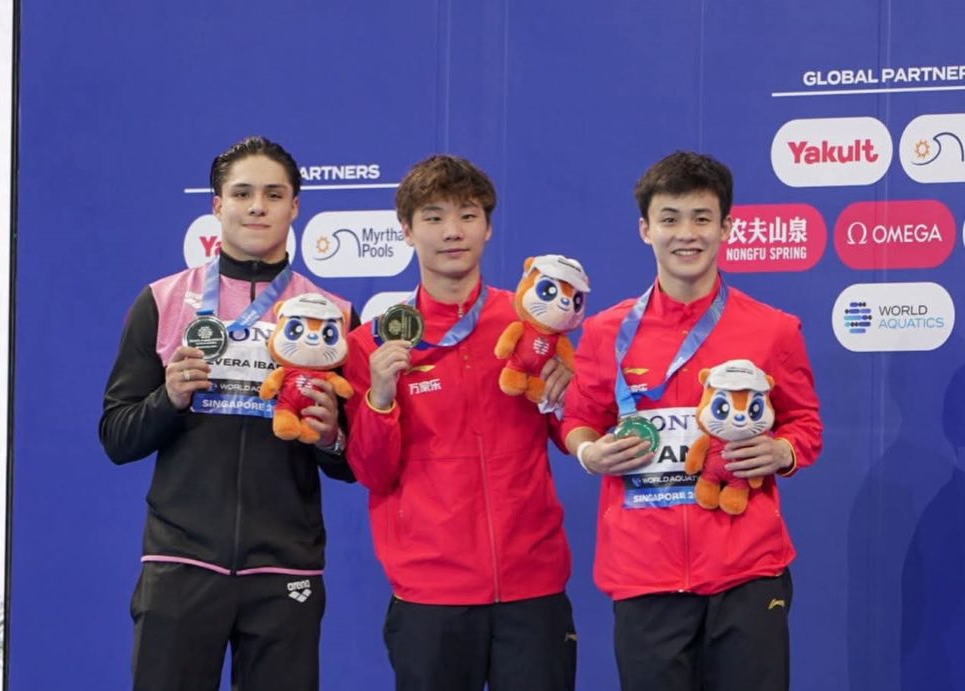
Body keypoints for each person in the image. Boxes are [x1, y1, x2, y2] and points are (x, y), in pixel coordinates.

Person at [99, 135, 356, 691]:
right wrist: (168, 398)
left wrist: (331, 436)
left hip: (285, 567)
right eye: (242, 194)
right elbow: (117, 437)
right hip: (181, 562)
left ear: (295, 207)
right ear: (218, 206)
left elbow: (356, 462)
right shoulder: (163, 301)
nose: (257, 207)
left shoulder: (333, 315)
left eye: (273, 194)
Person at [563, 151, 822, 691]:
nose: (686, 234)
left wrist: (783, 451)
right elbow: (579, 420)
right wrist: (590, 453)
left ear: (726, 228)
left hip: (747, 571)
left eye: (702, 218)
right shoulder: (607, 332)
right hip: (644, 575)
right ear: (646, 229)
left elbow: (805, 424)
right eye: (670, 218)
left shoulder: (774, 330)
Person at [344, 154, 578, 691]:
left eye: (468, 215)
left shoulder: (532, 323)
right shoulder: (372, 343)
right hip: (430, 593)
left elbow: (572, 436)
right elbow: (372, 472)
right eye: (433, 217)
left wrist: (568, 394)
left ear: (488, 227)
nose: (453, 231)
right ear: (406, 231)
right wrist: (380, 396)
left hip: (532, 584)